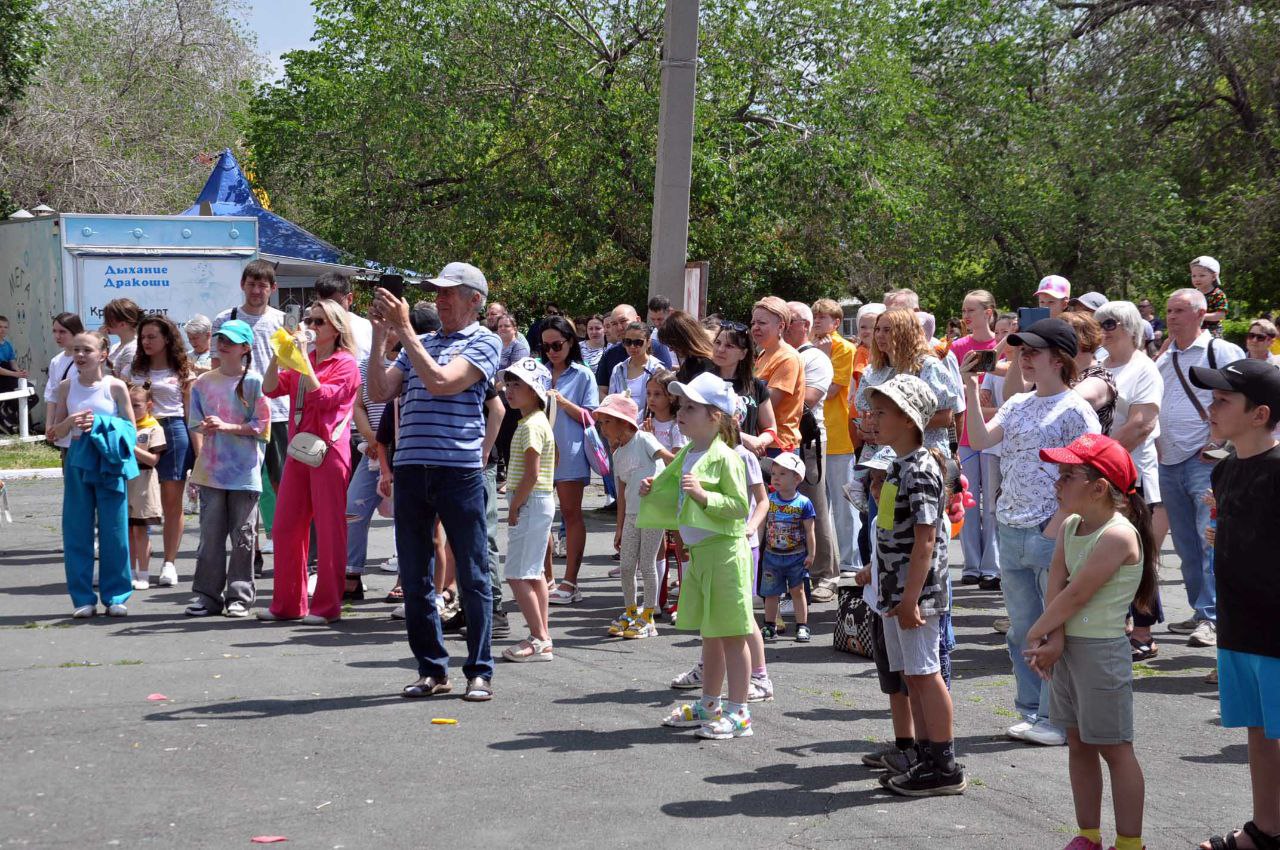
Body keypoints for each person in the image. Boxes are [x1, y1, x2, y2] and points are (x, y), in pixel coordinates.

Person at [961, 318, 1101, 747]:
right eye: (1021, 350)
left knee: (1051, 628)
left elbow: (1093, 468)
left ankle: (1055, 716)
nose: (1023, 356)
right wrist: (969, 387)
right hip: (1011, 525)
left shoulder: (1076, 409)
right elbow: (982, 440)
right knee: (1021, 628)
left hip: (1048, 530)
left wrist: (1060, 520)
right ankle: (1031, 710)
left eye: (1033, 351)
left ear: (1058, 359)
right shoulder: (1018, 403)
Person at [368, 261, 501, 702]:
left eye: (449, 293)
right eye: (437, 292)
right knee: (414, 572)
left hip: (458, 471)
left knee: (472, 572)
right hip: (411, 469)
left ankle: (479, 670)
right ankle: (432, 669)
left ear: (474, 300)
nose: (439, 299)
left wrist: (404, 330)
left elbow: (444, 382)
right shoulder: (418, 342)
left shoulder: (485, 340)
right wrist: (376, 336)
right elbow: (381, 392)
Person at [1026, 433, 1158, 850]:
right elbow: (1057, 581)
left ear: (1099, 487)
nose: (1057, 483)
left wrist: (1034, 634)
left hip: (1101, 653)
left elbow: (1077, 593)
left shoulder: (1119, 535)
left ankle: (1129, 842)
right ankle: (1088, 835)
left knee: (1115, 749)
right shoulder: (1070, 525)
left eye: (1068, 475)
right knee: (1079, 743)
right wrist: (1054, 638)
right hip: (1070, 649)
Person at [1187, 359, 1280, 850]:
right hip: (1239, 626)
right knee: (1260, 733)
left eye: (1223, 400)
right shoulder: (1224, 469)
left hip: (1276, 631)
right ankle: (1266, 830)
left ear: (1260, 413)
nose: (1211, 407)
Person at [641, 372, 754, 740]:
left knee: (733, 635)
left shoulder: (727, 457)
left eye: (691, 407)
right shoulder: (691, 451)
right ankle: (710, 702)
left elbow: (739, 507)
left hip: (724, 554)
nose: (681, 413)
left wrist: (706, 497)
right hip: (701, 554)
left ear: (715, 416)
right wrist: (652, 487)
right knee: (711, 633)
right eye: (682, 406)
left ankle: (739, 712)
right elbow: (673, 486)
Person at [865, 373, 964, 796]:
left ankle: (943, 763)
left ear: (909, 420)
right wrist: (876, 572)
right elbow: (889, 529)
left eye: (882, 412)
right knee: (912, 675)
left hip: (916, 594)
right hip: (895, 590)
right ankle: (925, 754)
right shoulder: (896, 465)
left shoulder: (921, 468)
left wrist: (909, 599)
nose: (873, 418)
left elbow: (926, 539)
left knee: (925, 673)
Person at [260, 300, 361, 625]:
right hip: (299, 451)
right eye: (309, 319)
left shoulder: (345, 363)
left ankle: (327, 606)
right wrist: (280, 351)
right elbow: (269, 388)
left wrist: (301, 356)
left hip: (329, 452)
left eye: (319, 321)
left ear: (336, 328)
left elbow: (322, 399)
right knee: (285, 527)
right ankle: (288, 604)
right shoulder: (309, 357)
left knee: (330, 530)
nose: (311, 326)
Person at [1155, 288, 1243, 649]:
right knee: (1187, 545)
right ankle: (1200, 610)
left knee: (1209, 539)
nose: (1172, 316)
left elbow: (1244, 396)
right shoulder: (1163, 356)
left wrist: (1223, 445)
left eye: (1179, 310)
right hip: (1169, 459)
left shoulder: (1219, 351)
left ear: (1201, 314)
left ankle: (1212, 617)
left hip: (1205, 460)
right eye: (1169, 310)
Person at [185, 320, 271, 617]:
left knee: (244, 536)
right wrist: (207, 428)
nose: (223, 345)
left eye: (231, 342)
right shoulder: (203, 382)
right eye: (220, 339)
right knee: (210, 537)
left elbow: (262, 428)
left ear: (245, 348)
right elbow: (195, 422)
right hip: (210, 471)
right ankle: (207, 596)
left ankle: (240, 597)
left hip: (245, 472)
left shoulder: (255, 382)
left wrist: (227, 426)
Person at [1097, 300, 1167, 661]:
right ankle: (1118, 623)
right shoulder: (1099, 363)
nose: (1103, 330)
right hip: (1102, 474)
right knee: (1107, 550)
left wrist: (1097, 453)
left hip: (1132, 475)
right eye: (1100, 324)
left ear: (1129, 327)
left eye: (1109, 324)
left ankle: (1143, 632)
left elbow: (1141, 425)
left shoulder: (1144, 369)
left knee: (1138, 554)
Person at [48, 331, 137, 617]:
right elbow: (52, 433)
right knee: (76, 529)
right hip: (77, 458)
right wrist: (71, 422)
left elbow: (132, 431)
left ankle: (116, 596)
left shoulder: (115, 387)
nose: (80, 356)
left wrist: (100, 423)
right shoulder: (66, 387)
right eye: (76, 350)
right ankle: (82, 598)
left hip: (108, 460)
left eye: (87, 350)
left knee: (115, 530)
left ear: (103, 354)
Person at [212, 261, 291, 554]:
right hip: (238, 415)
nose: (256, 291)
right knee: (245, 486)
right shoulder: (225, 318)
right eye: (252, 284)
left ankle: (286, 546)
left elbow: (295, 367)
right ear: (242, 284)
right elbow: (216, 366)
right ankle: (249, 549)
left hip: (279, 412)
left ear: (273, 288)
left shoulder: (284, 320)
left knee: (281, 482)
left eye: (263, 285)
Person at [596, 393, 673, 639]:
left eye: (607, 421)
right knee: (627, 565)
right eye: (601, 422)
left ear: (624, 422)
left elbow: (672, 462)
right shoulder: (617, 455)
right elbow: (622, 495)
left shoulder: (644, 439)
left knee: (647, 564)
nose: (602, 427)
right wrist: (618, 528)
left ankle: (649, 616)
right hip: (631, 515)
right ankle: (631, 612)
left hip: (653, 512)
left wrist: (658, 484)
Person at [130, 316, 196, 588]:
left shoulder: (183, 371)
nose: (146, 342)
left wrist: (199, 450)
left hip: (173, 429)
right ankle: (135, 565)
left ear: (167, 339)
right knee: (136, 501)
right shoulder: (133, 370)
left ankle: (169, 563)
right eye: (143, 337)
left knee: (171, 502)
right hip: (140, 434)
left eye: (152, 337)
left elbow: (192, 414)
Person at [499, 357, 557, 663]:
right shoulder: (534, 422)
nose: (510, 389)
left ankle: (538, 638)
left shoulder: (532, 425)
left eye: (518, 384)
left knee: (517, 574)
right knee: (533, 574)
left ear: (536, 391)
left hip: (531, 501)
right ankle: (542, 635)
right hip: (539, 501)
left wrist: (515, 505)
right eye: (509, 383)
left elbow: (531, 474)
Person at [540, 315, 600, 606]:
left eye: (557, 344)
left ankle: (570, 581)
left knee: (570, 513)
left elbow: (592, 416)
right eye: (546, 346)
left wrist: (563, 403)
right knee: (539, 516)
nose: (552, 351)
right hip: (538, 452)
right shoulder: (538, 371)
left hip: (571, 451)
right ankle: (547, 578)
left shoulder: (582, 374)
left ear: (570, 342)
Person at [784, 301, 838, 601]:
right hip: (779, 439)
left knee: (814, 507)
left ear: (804, 325)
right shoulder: (772, 355)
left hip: (807, 441)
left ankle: (826, 574)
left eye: (788, 321)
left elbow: (809, 399)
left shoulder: (814, 358)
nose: (783, 326)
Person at [854, 308, 959, 456]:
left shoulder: (927, 366)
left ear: (904, 332)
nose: (879, 335)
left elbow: (946, 416)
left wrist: (898, 424)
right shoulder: (873, 371)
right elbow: (863, 425)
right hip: (881, 458)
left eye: (887, 330)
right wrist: (865, 430)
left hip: (923, 455)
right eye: (877, 329)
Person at [950, 290, 1000, 586]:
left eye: (972, 311)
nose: (966, 317)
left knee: (992, 501)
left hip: (994, 434)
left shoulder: (1003, 344)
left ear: (989, 313)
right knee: (966, 498)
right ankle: (971, 563)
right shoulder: (958, 346)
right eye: (964, 311)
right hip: (965, 433)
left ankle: (991, 565)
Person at [811, 298, 860, 575]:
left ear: (836, 322)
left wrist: (825, 357)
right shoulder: (809, 347)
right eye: (815, 315)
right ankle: (822, 564)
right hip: (816, 436)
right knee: (820, 507)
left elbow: (829, 390)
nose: (818, 321)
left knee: (843, 507)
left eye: (824, 317)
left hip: (839, 436)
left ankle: (850, 562)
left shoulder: (844, 348)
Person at [759, 452, 815, 642]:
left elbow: (809, 531)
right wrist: (758, 547)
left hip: (796, 556)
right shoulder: (769, 500)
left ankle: (802, 626)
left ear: (797, 478)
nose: (776, 477)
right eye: (774, 473)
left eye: (782, 474)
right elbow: (762, 525)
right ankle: (769, 625)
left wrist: (811, 554)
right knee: (771, 593)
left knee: (797, 591)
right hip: (771, 555)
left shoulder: (803, 503)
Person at [712, 322, 777, 456]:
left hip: (744, 462)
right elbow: (700, 425)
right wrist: (744, 438)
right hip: (712, 460)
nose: (720, 349)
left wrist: (759, 441)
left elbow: (770, 428)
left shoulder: (755, 385)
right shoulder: (703, 381)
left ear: (743, 354)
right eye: (718, 343)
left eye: (729, 346)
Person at [751, 297, 804, 454]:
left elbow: (767, 404)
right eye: (753, 323)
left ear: (780, 326)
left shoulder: (788, 358)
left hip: (780, 446)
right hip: (761, 443)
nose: (755, 328)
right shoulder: (763, 355)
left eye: (762, 323)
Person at [125, 384, 165, 591]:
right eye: (129, 405)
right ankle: (129, 571)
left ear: (149, 405)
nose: (132, 409)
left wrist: (131, 448)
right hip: (127, 482)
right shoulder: (125, 426)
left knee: (141, 530)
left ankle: (144, 573)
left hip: (144, 482)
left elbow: (153, 460)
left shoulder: (153, 428)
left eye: (137, 405)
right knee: (129, 531)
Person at [1060, 311, 1117, 435]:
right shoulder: (1060, 373)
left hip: (1086, 453)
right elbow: (1011, 394)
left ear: (1083, 338)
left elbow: (1068, 402)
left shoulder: (1101, 376)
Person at [607, 321, 663, 416]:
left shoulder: (657, 369)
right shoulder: (618, 369)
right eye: (628, 342)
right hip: (622, 424)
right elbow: (612, 400)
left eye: (638, 342)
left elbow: (662, 403)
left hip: (648, 425)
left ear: (648, 342)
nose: (632, 347)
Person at [315, 271, 372, 363]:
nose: (330, 310)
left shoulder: (367, 327)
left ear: (349, 299)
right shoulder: (309, 329)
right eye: (322, 304)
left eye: (335, 303)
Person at [43, 313, 84, 433]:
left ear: (75, 332)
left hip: (84, 422)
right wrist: (49, 425)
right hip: (63, 427)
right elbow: (52, 395)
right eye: (54, 331)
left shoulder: (86, 358)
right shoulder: (56, 361)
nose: (57, 336)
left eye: (62, 332)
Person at [658, 310, 716, 382]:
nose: (670, 350)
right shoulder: (690, 360)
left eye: (672, 345)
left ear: (683, 340)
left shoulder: (705, 364)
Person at [642, 369, 685, 452]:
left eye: (657, 394)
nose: (651, 399)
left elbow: (676, 462)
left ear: (672, 397)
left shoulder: (678, 427)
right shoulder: (646, 425)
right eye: (648, 393)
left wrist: (652, 442)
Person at [102, 298, 141, 381]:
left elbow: (125, 382)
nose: (104, 324)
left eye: (108, 320)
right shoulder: (115, 346)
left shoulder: (132, 348)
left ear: (123, 324)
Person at [1190, 255, 1228, 338]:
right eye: (1194, 276)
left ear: (1214, 276)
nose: (1197, 279)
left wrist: (1201, 316)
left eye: (1202, 275)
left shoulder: (1218, 294)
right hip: (1195, 330)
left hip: (1212, 331)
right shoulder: (1192, 294)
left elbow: (1221, 315)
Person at [0, 315, 26, 433]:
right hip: (3, 379)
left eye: (5, 327)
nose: (2, 329)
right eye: (0, 327)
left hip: (9, 377)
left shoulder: (8, 345)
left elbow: (13, 362)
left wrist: (19, 372)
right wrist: (15, 374)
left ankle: (7, 416)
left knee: (32, 395)